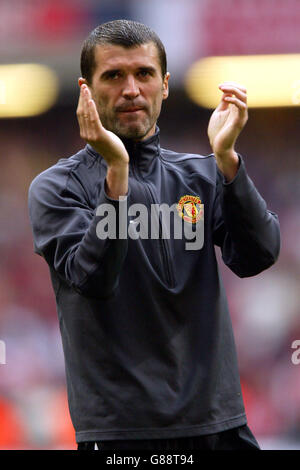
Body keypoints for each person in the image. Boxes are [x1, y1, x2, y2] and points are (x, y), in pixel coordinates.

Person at [28, 19, 280, 451]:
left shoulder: (202, 176)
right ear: (85, 89)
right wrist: (117, 178)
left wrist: (228, 161)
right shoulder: (56, 188)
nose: (131, 89)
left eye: (144, 74)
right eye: (113, 76)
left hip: (218, 425)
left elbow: (258, 256)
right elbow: (94, 280)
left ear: (163, 85)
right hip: (121, 436)